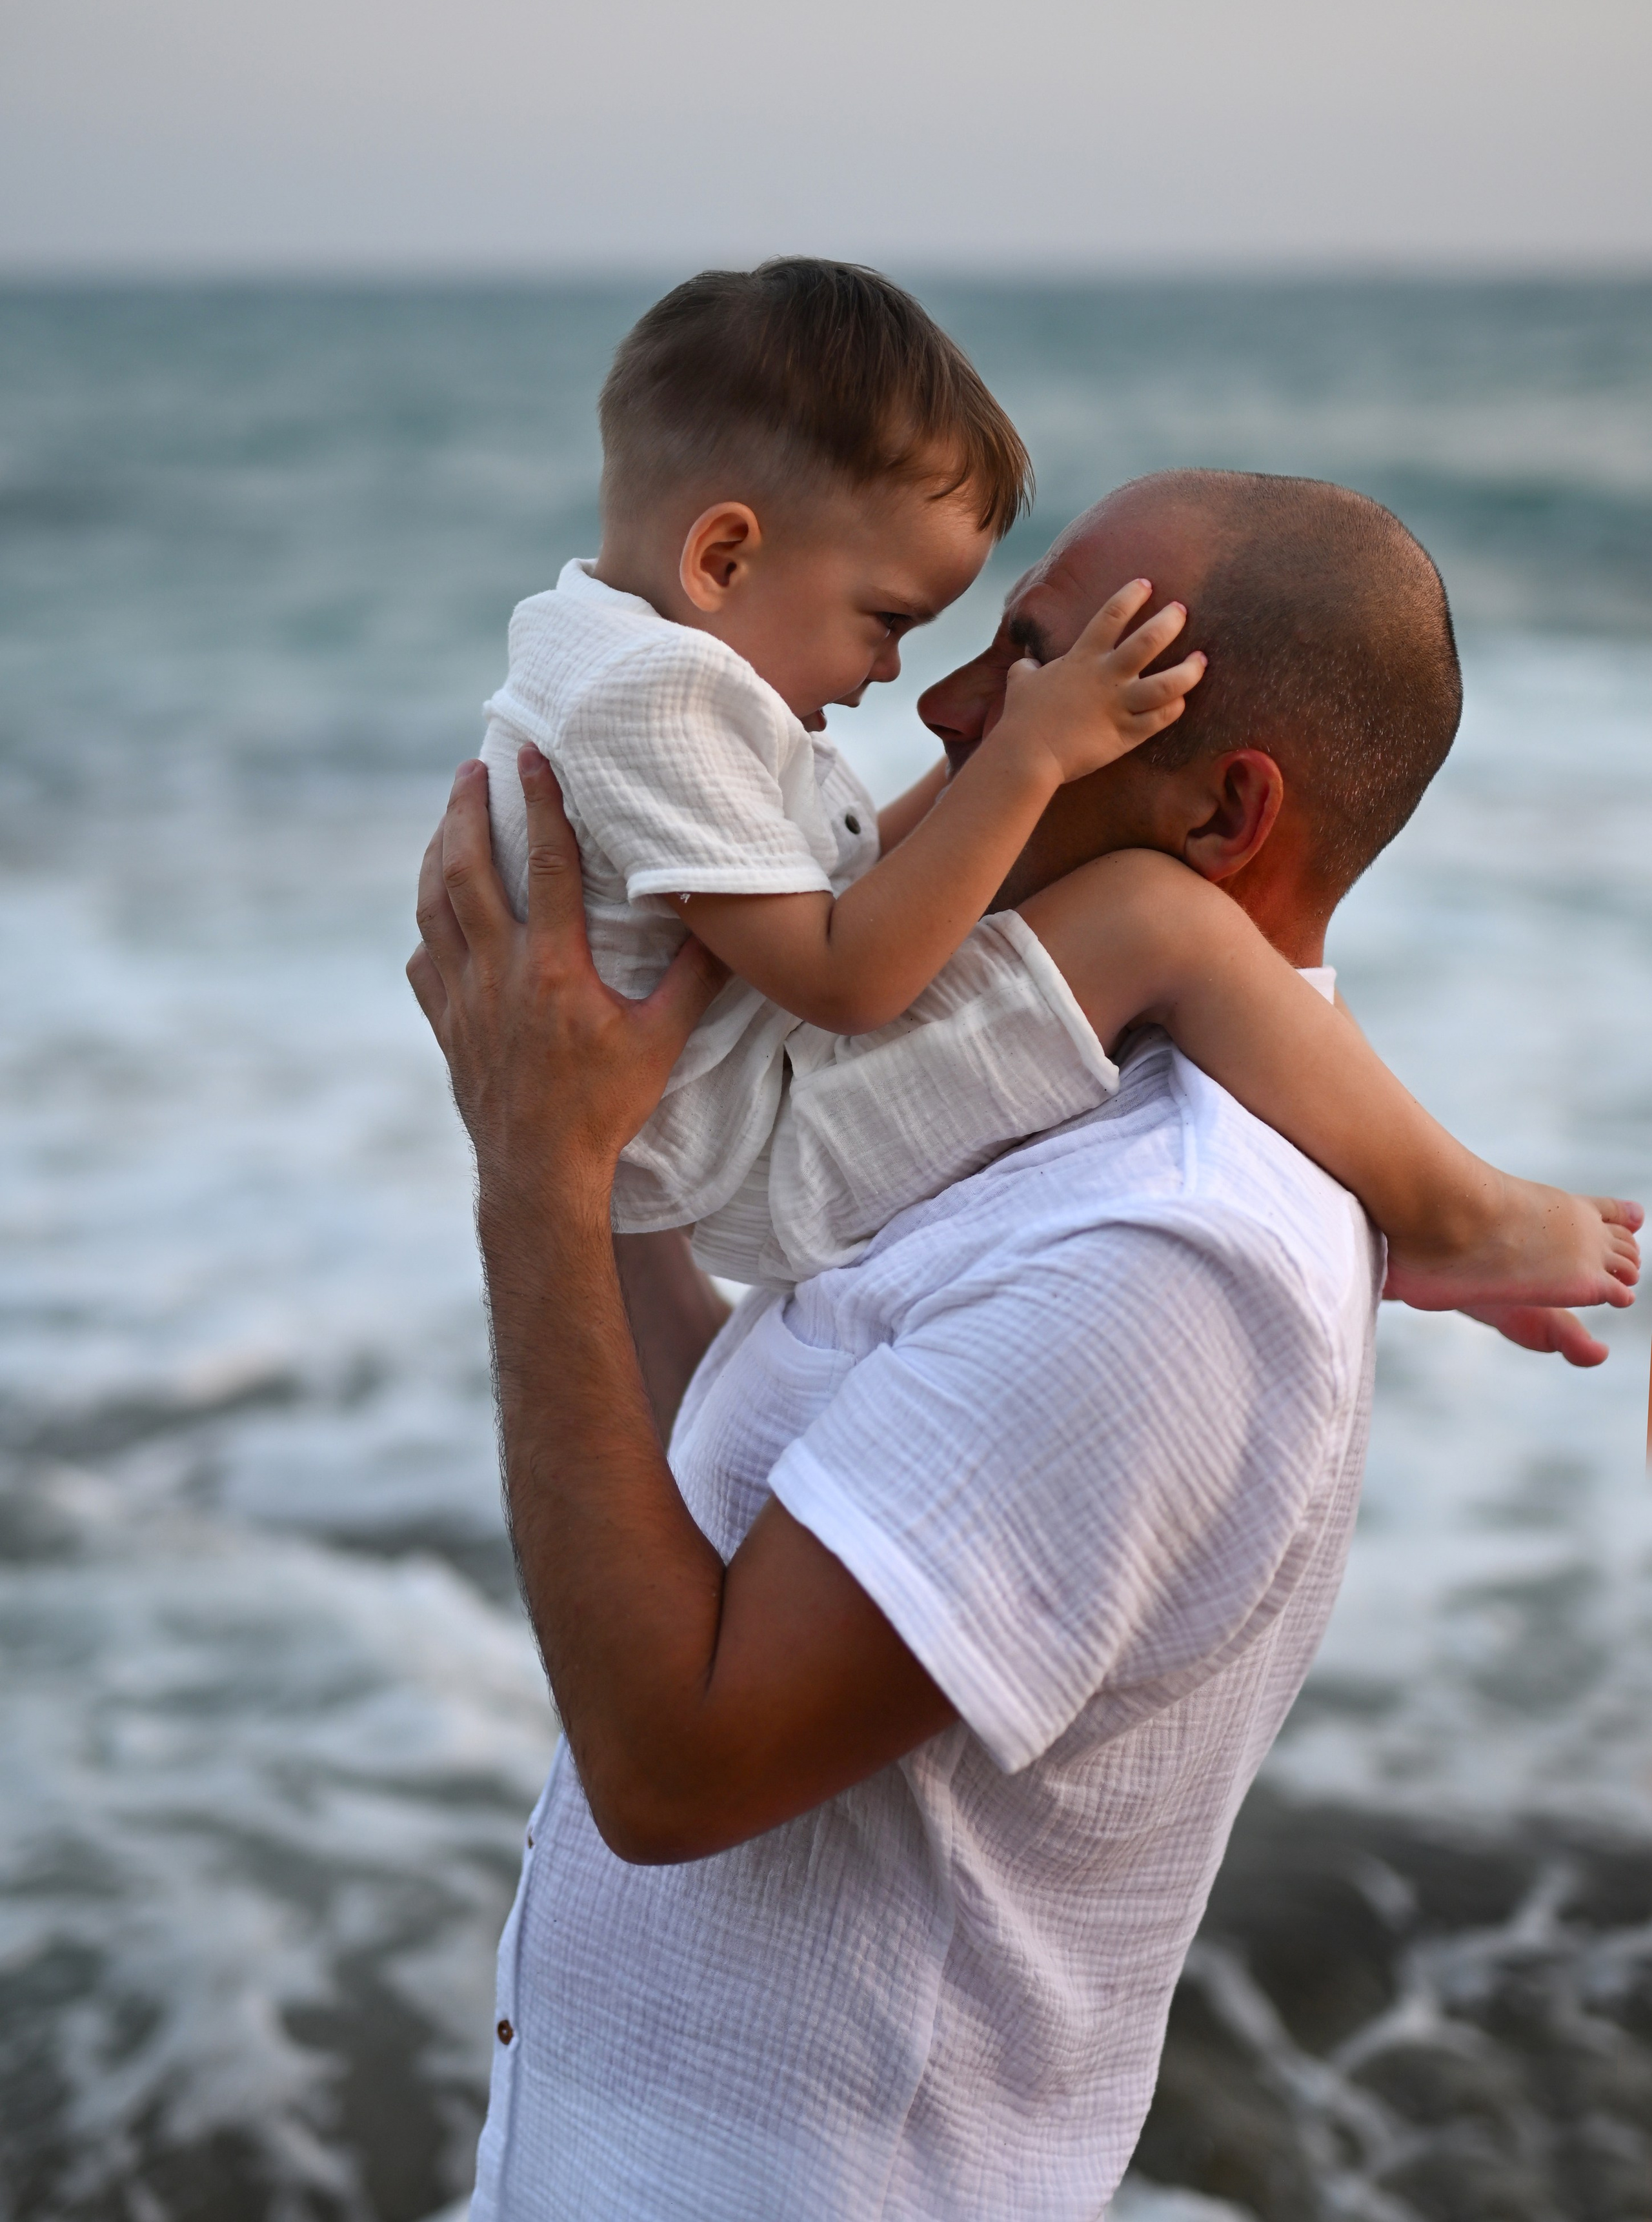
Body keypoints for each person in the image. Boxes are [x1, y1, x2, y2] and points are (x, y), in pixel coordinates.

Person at [409, 472, 1641, 2220]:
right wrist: (587, 1148)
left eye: (1039, 665)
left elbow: (678, 1768)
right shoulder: (1033, 1089)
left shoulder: (1161, 1264)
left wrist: (537, 1184)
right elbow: (739, 1493)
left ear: (1224, 817)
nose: (946, 708)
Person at [481, 259, 1635, 1309]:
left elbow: (842, 887)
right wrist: (1029, 755)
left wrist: (1015, 749)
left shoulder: (601, 650)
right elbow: (846, 976)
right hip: (765, 1152)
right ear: (723, 558)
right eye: (887, 620)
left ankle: (1424, 1207)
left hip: (731, 1119)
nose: (898, 676)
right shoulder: (656, 698)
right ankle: (1458, 1215)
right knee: (1153, 919)